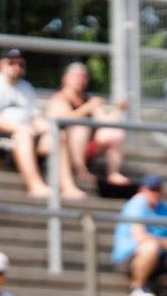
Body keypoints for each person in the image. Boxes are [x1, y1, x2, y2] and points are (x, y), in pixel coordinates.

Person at [0, 48, 54, 200]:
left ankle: (66, 187)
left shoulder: (26, 87)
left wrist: (51, 131)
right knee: (22, 135)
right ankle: (35, 185)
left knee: (56, 136)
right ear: (1, 65)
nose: (16, 67)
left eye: (20, 64)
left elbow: (36, 118)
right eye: (11, 63)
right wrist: (23, 129)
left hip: (26, 136)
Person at [43, 62, 132, 198]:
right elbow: (63, 119)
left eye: (83, 76)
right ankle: (80, 170)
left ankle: (113, 173)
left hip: (86, 148)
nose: (80, 80)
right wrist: (88, 107)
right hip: (61, 147)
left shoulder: (88, 99)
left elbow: (106, 121)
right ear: (65, 78)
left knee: (116, 133)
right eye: (77, 76)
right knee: (80, 127)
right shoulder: (59, 98)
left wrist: (119, 109)